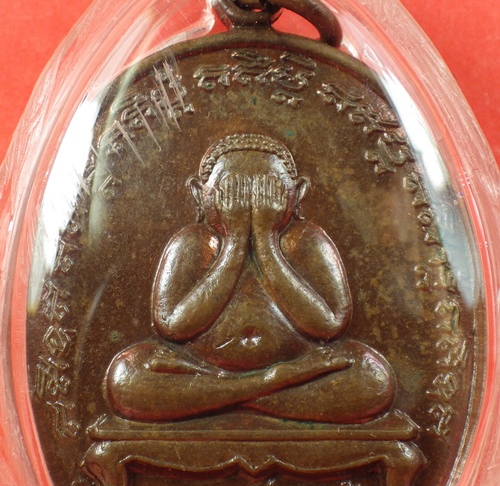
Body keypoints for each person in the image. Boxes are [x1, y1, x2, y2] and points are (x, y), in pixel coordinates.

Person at [106, 133, 395, 423]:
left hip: (299, 364)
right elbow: (172, 327)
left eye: (268, 190)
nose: (250, 204)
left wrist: (266, 242)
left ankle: (225, 397)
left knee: (374, 377)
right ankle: (267, 387)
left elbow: (328, 325)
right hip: (203, 368)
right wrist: (235, 242)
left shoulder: (307, 241)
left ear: (297, 194)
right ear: (199, 194)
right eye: (232, 190)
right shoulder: (192, 243)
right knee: (126, 374)